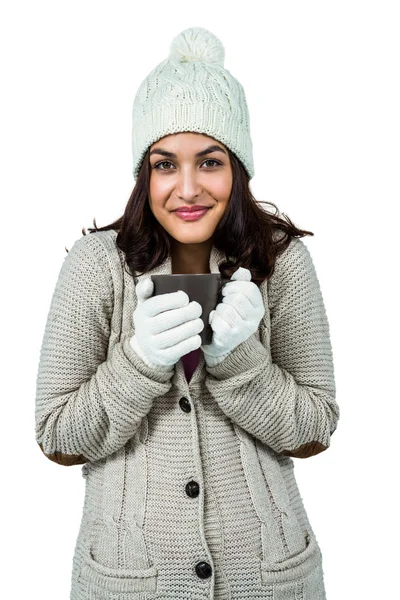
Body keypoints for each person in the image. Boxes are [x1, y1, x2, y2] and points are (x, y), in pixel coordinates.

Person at [35, 26, 340, 600]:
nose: (189, 187)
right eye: (165, 164)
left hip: (269, 581)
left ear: (238, 168)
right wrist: (138, 363)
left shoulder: (283, 260)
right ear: (143, 173)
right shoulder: (95, 265)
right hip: (129, 583)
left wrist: (241, 361)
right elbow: (56, 436)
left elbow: (315, 429)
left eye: (210, 161)